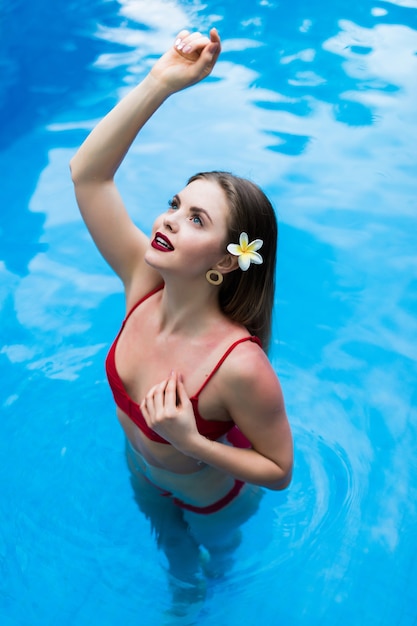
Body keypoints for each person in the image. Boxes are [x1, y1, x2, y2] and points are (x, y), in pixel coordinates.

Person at [70, 26, 293, 609]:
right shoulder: (142, 285)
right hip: (144, 470)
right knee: (171, 554)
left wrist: (192, 441)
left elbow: (277, 469)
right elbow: (88, 175)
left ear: (226, 260)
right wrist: (161, 82)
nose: (167, 220)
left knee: (213, 574)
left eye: (196, 219)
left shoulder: (238, 366)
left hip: (213, 499)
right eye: (175, 205)